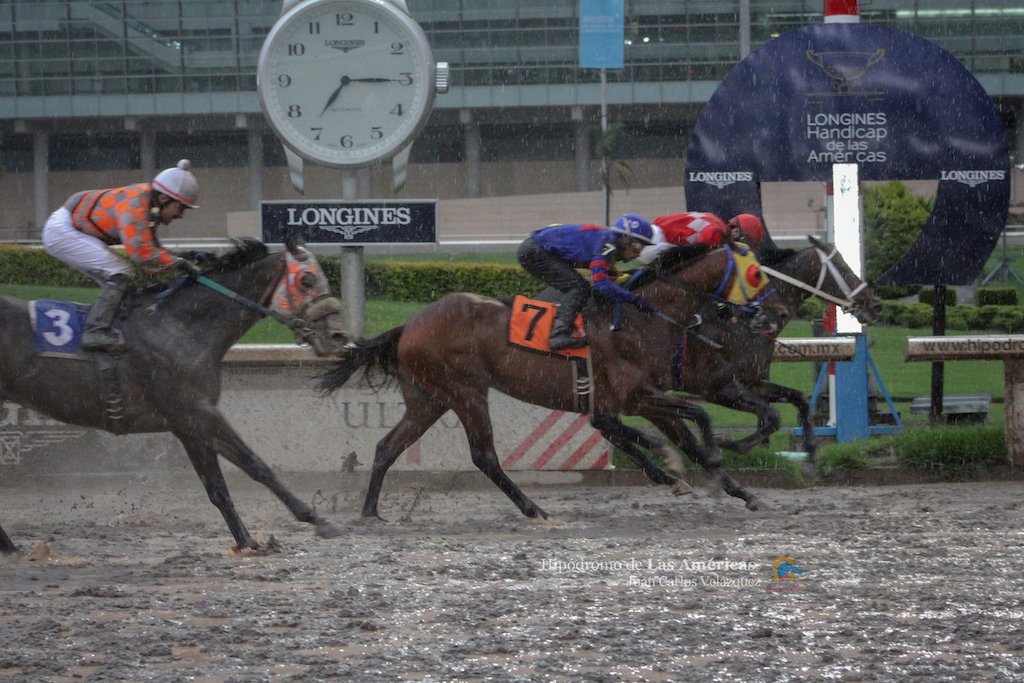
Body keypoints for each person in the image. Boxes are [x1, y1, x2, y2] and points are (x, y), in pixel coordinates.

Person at [42, 159, 206, 351]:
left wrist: (189, 256)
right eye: (181, 207)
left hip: (71, 229)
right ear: (163, 198)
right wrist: (180, 263)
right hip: (62, 231)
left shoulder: (147, 205)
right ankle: (95, 331)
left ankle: (117, 329)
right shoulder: (135, 205)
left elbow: (155, 251)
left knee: (124, 288)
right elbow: (142, 254)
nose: (181, 215)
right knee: (121, 272)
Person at [517, 213, 657, 351]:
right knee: (578, 287)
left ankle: (564, 326)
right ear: (625, 239)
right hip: (534, 251)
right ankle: (558, 335)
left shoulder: (608, 243)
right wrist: (634, 299)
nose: (638, 254)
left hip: (535, 248)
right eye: (638, 247)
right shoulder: (607, 244)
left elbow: (611, 280)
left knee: (581, 287)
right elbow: (602, 283)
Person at [637, 211, 767, 265]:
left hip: (652, 234)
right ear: (736, 231)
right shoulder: (715, 235)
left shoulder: (717, 223)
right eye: (744, 243)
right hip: (650, 246)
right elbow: (695, 263)